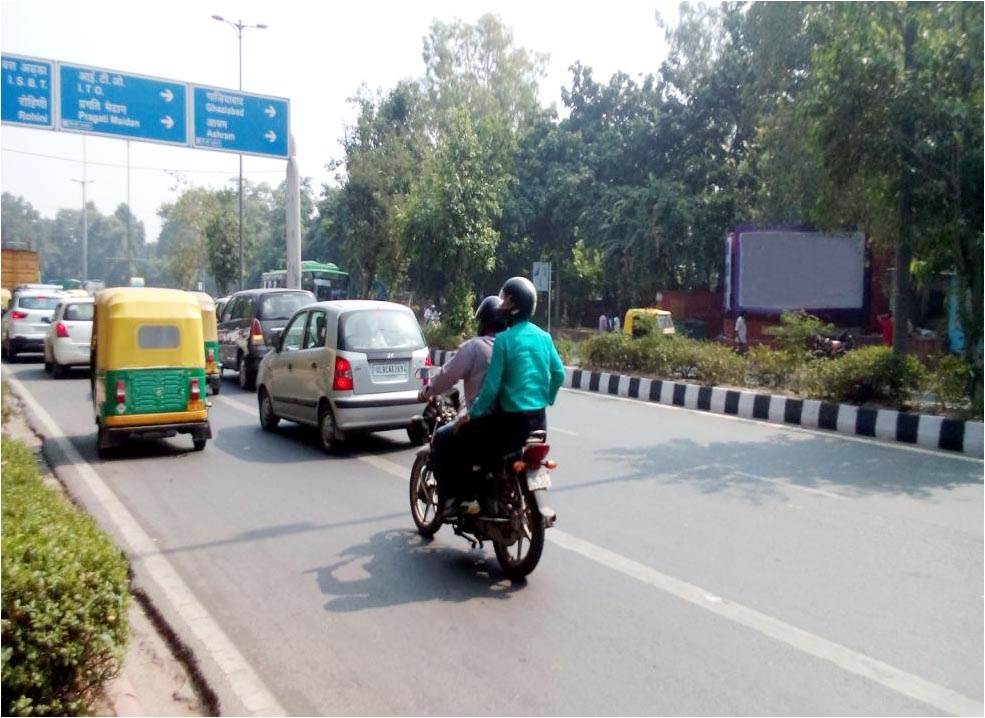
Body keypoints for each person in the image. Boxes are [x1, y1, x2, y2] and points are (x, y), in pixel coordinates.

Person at [451, 277, 566, 513]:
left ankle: (474, 500)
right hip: (539, 421)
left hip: (511, 423)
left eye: (504, 299)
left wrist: (470, 415)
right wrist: (549, 398)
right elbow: (559, 374)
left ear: (514, 305)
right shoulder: (544, 337)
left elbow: (491, 388)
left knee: (471, 446)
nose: (501, 304)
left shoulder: (504, 340)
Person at [420, 296, 507, 515]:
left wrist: (427, 391)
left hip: (484, 421)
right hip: (517, 422)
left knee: (441, 438)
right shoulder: (514, 346)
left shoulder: (475, 347)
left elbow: (447, 376)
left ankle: (454, 500)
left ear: (483, 323)